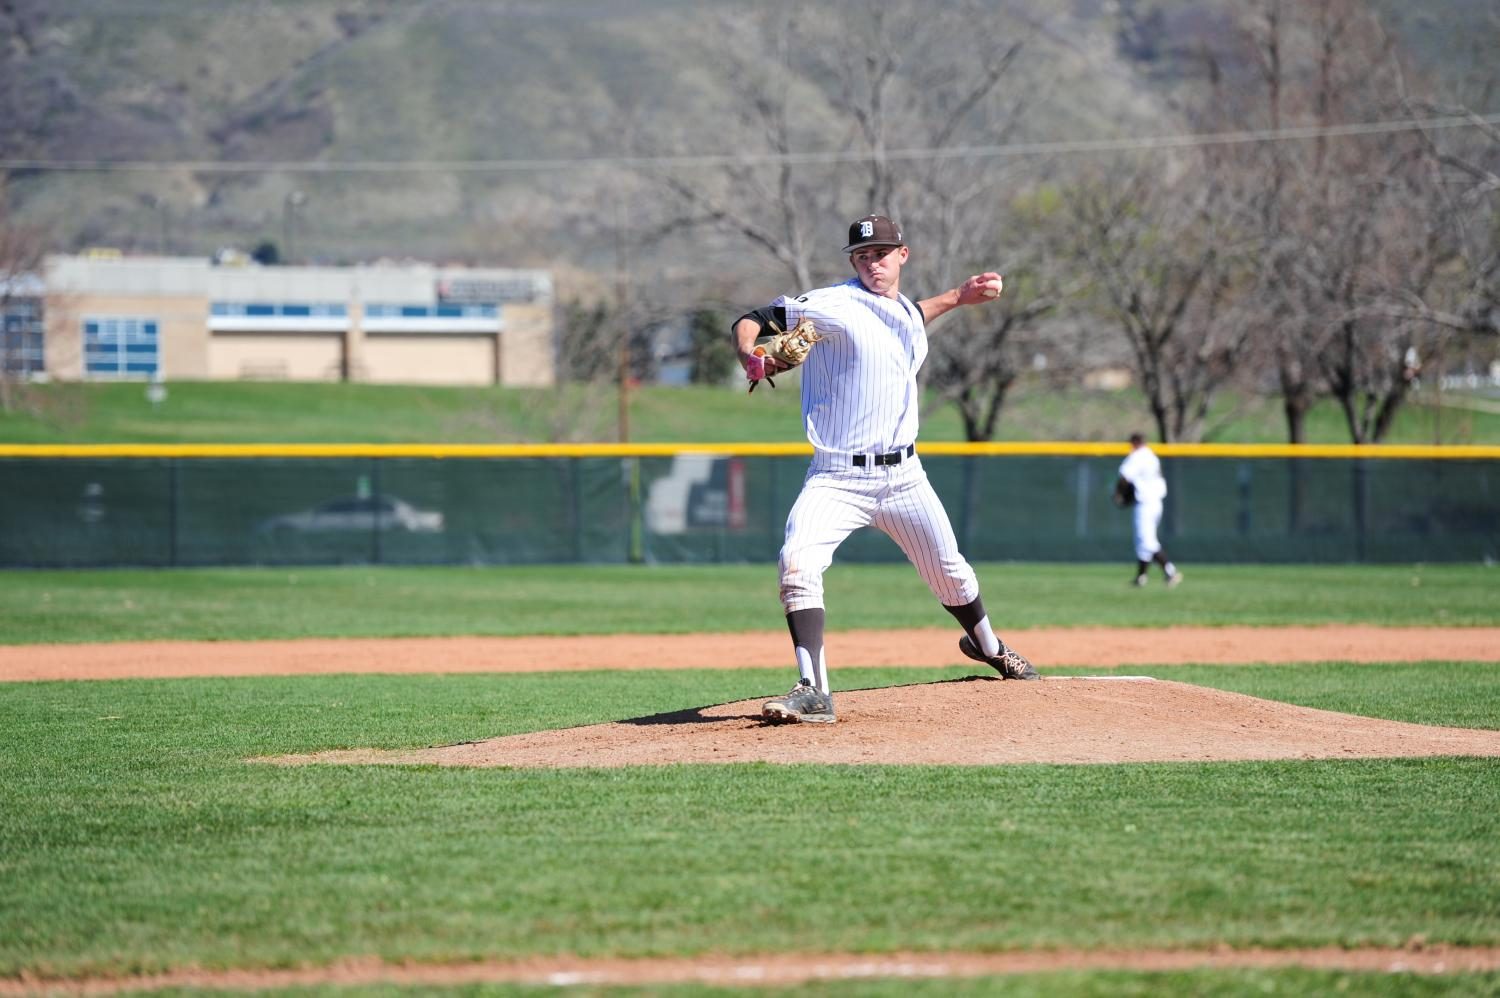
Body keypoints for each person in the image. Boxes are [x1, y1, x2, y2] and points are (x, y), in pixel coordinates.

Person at [732, 213, 1039, 726]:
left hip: (904, 478)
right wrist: (749, 354)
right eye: (863, 255)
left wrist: (959, 297)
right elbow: (754, 318)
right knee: (796, 564)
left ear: (903, 255)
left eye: (882, 253)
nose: (873, 262)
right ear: (854, 261)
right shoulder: (831, 304)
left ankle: (988, 646)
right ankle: (814, 690)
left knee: (951, 574)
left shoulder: (903, 313)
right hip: (836, 477)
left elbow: (913, 313)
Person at [1113, 432, 1183, 588]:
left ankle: (1170, 571)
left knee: (1146, 540)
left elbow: (1124, 476)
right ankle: (1141, 576)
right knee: (1143, 541)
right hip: (1156, 502)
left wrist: (1118, 494)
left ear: (1134, 443)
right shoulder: (1152, 456)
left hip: (1145, 502)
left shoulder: (1137, 456)